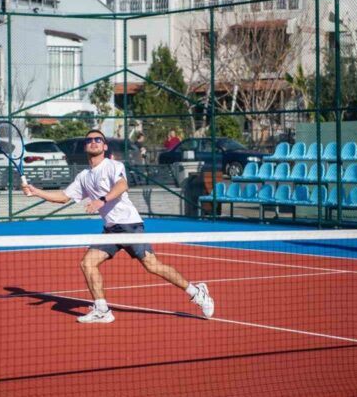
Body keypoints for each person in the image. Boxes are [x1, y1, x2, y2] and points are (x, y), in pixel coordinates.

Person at [22, 129, 215, 323]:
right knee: (87, 263)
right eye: (89, 140)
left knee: (152, 265)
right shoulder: (83, 176)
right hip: (111, 229)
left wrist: (101, 200)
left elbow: (122, 186)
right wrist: (36, 191)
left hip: (129, 225)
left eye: (98, 139)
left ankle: (196, 291)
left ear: (105, 146)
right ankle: (102, 310)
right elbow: (63, 197)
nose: (94, 142)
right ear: (85, 146)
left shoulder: (113, 166)